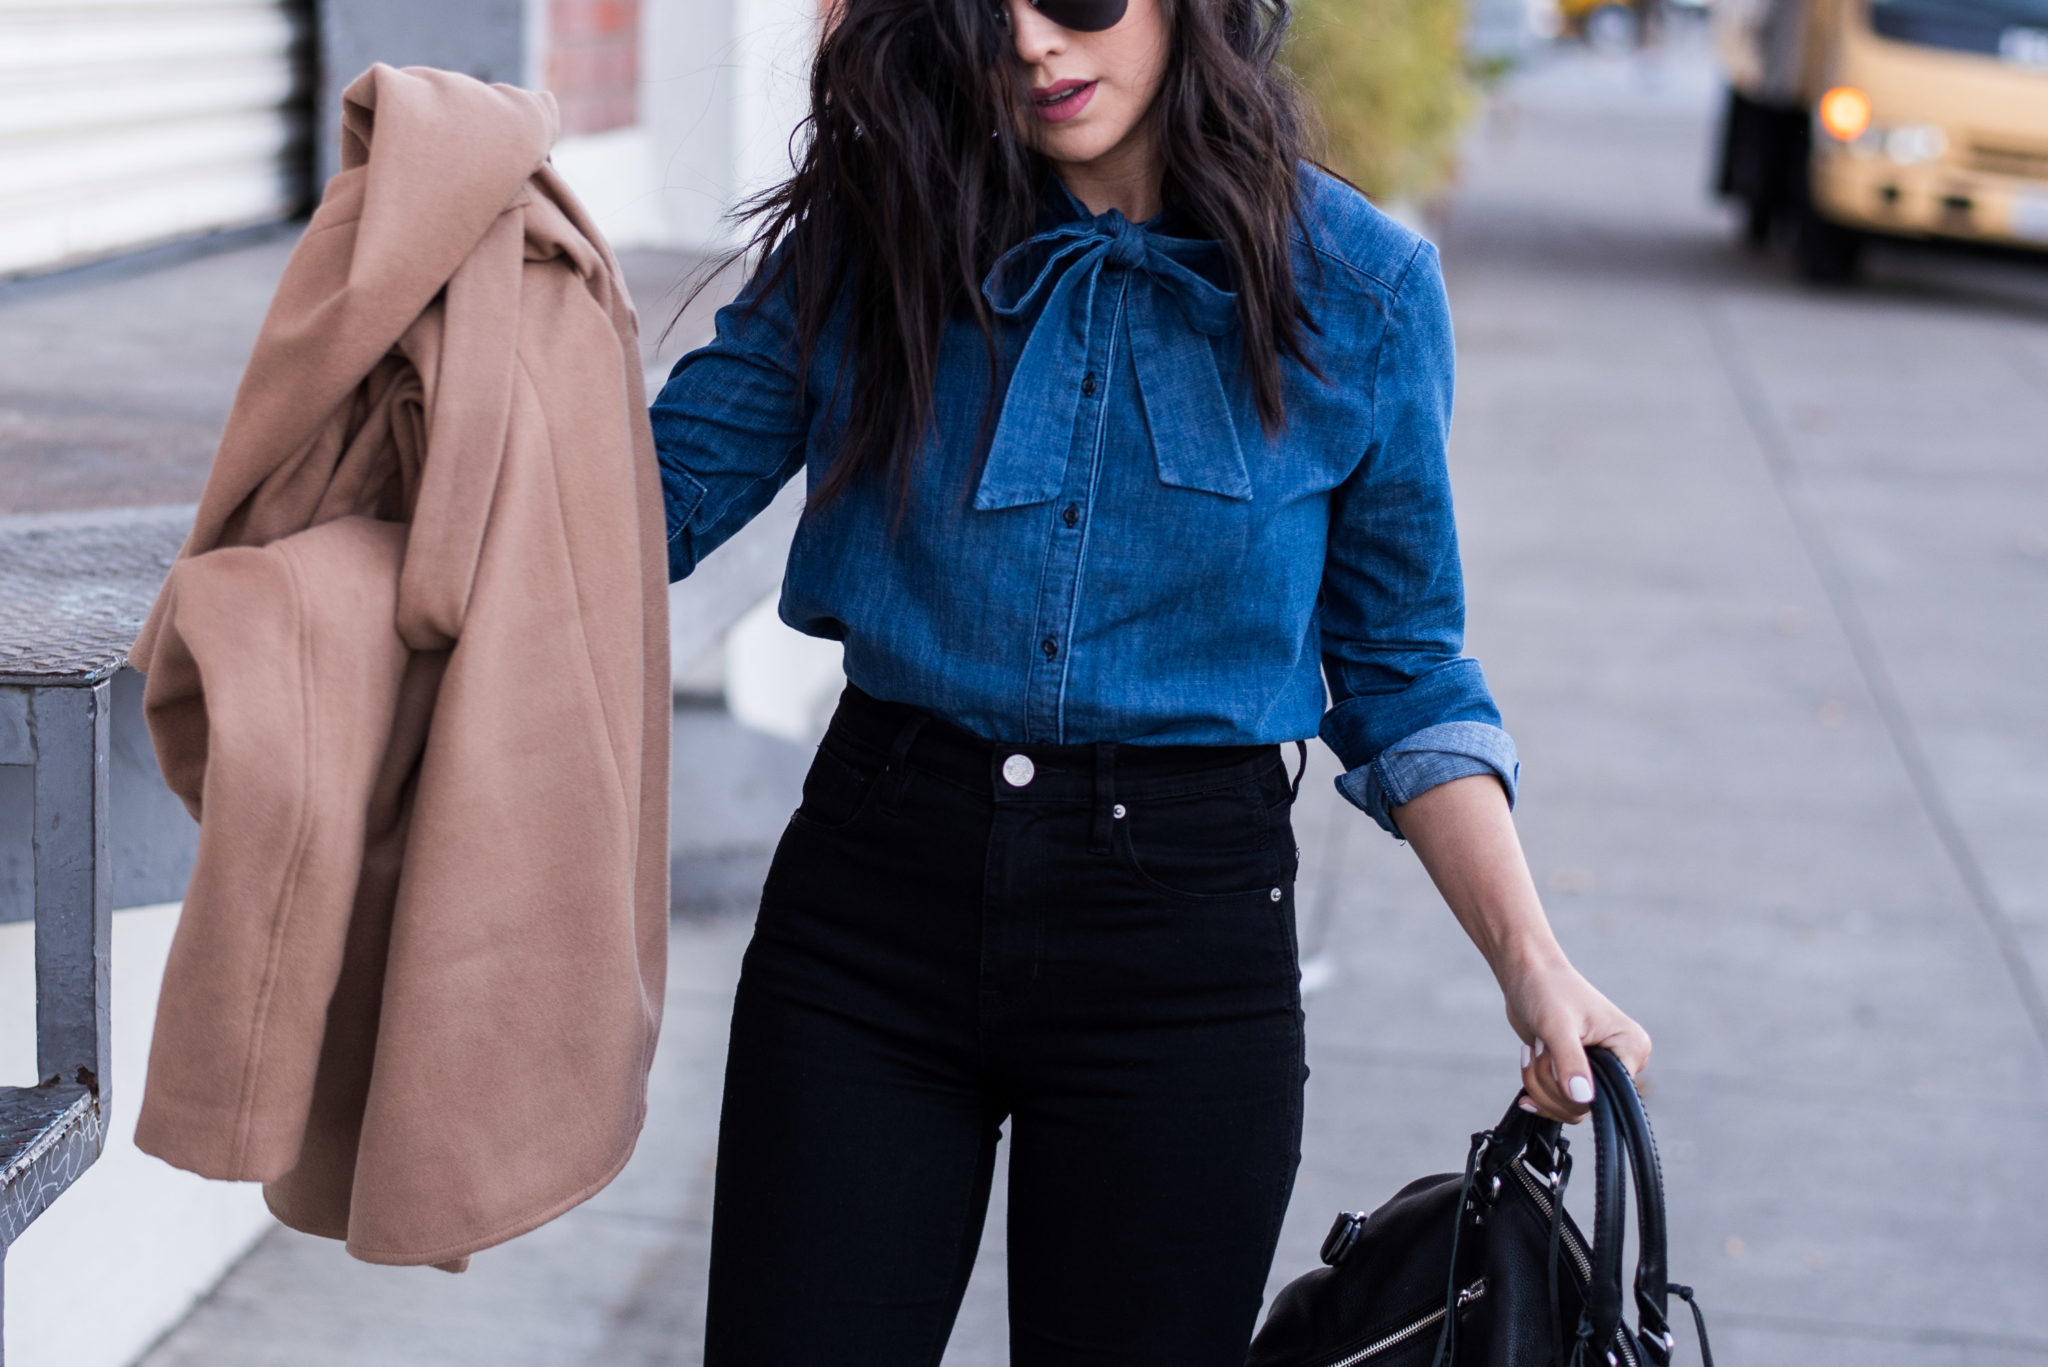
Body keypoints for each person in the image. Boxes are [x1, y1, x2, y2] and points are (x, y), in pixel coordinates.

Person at [649, 0, 1652, 1358]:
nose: (1033, 44)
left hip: (1180, 959)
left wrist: (1536, 968)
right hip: (872, 915)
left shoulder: (1360, 292)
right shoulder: (875, 232)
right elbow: (640, 507)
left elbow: (1405, 673)